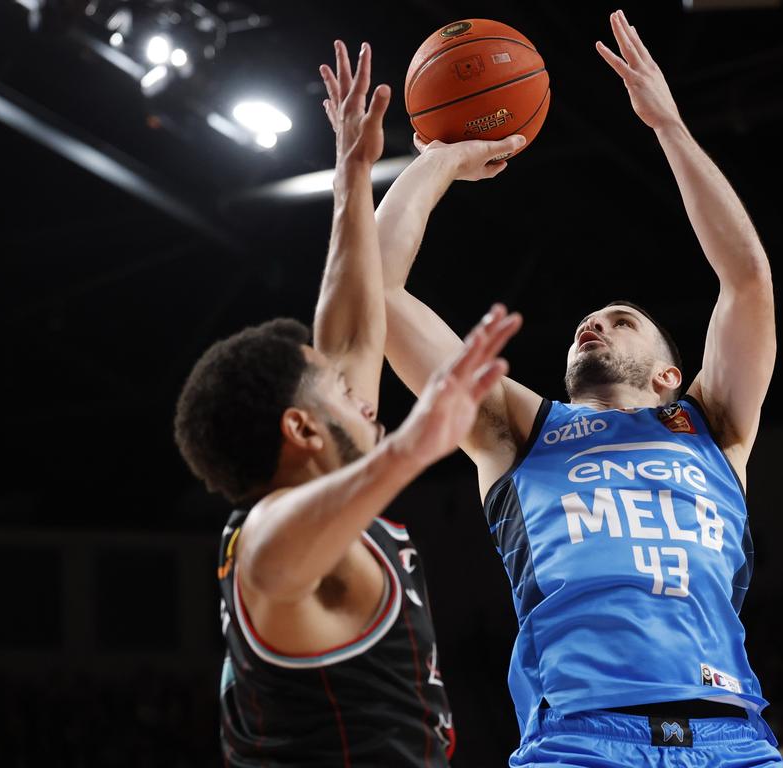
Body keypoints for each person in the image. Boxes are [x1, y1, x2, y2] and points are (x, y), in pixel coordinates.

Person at [377, 10, 783, 767]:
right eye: (587, 322)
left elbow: (748, 279)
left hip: (735, 738)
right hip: (580, 739)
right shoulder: (516, 429)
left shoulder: (714, 423)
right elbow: (373, 292)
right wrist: (438, 160)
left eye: (621, 319)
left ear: (673, 373)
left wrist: (669, 126)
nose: (593, 325)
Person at [173, 40, 521, 766]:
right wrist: (410, 450)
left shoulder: (326, 490)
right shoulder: (268, 544)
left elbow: (358, 323)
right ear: (300, 428)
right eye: (334, 386)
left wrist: (375, 169)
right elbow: (272, 560)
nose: (360, 392)